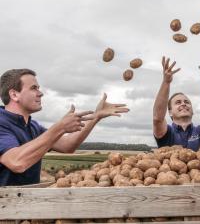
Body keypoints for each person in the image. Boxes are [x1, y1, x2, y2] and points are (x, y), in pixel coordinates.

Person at [0, 69, 129, 186]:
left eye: (39, 88)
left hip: (24, 206)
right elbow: (16, 162)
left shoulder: (33, 126)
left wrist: (96, 116)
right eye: (34, 88)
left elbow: (67, 145)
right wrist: (60, 127)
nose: (40, 93)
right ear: (14, 95)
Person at [153, 56, 200, 151]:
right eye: (178, 102)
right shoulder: (167, 132)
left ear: (192, 111)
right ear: (170, 112)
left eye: (187, 102)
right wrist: (166, 82)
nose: (183, 104)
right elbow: (157, 118)